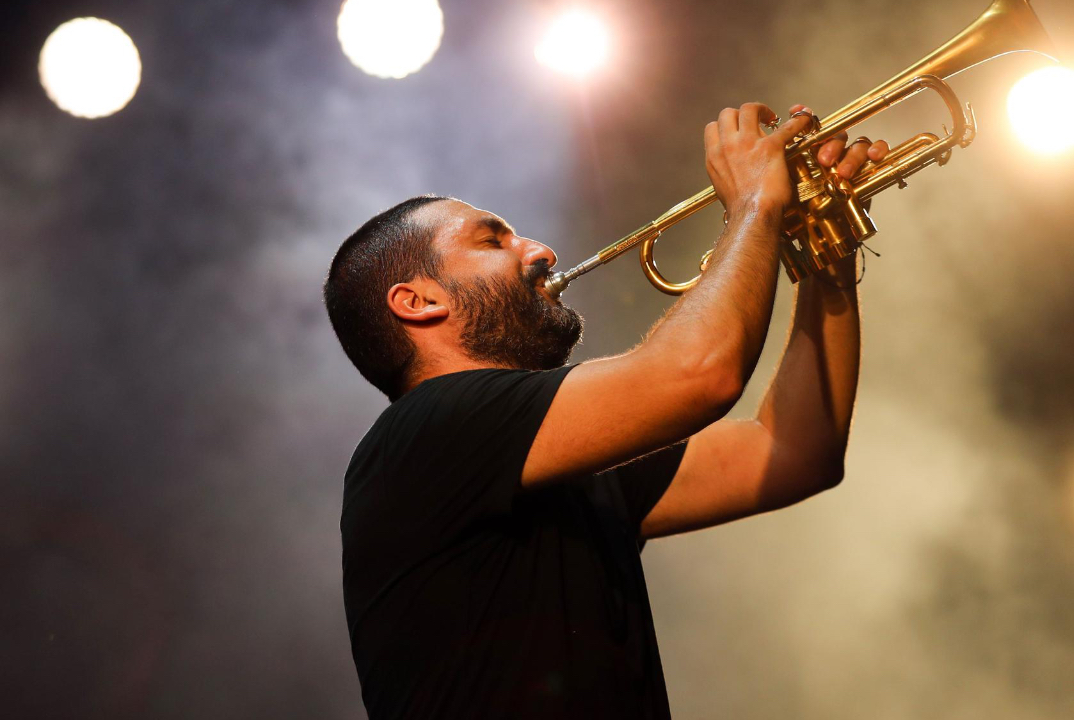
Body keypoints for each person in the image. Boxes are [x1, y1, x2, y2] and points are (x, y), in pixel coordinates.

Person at [323, 102, 888, 720]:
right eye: (492, 240)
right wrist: (754, 201)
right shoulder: (426, 432)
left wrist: (826, 253)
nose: (541, 251)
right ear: (418, 301)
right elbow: (699, 374)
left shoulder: (555, 465)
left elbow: (794, 451)